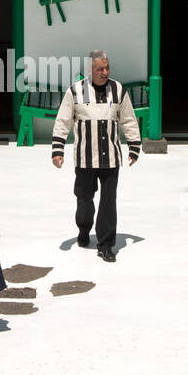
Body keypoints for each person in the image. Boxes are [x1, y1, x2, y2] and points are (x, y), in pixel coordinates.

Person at [51, 50, 140, 263]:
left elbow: (128, 119)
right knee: (84, 199)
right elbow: (63, 121)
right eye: (100, 68)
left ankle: (106, 244)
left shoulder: (118, 90)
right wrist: (57, 149)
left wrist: (134, 146)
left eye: (107, 67)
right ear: (90, 70)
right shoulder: (75, 91)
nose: (105, 72)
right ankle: (83, 228)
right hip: (85, 158)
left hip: (110, 158)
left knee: (109, 201)